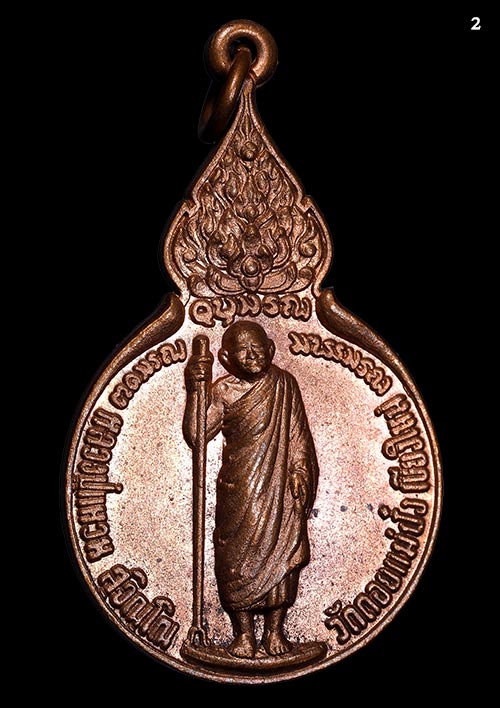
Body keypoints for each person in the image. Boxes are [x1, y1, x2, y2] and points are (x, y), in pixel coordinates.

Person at [183, 320, 318, 659]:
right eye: (242, 350)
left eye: (257, 347)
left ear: (271, 349)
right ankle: (243, 635)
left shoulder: (285, 385)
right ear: (226, 359)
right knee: (235, 557)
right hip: (239, 487)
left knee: (283, 550)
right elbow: (197, 436)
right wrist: (194, 391)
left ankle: (275, 633)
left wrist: (300, 470)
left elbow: (298, 435)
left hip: (280, 486)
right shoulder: (223, 391)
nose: (252, 354)